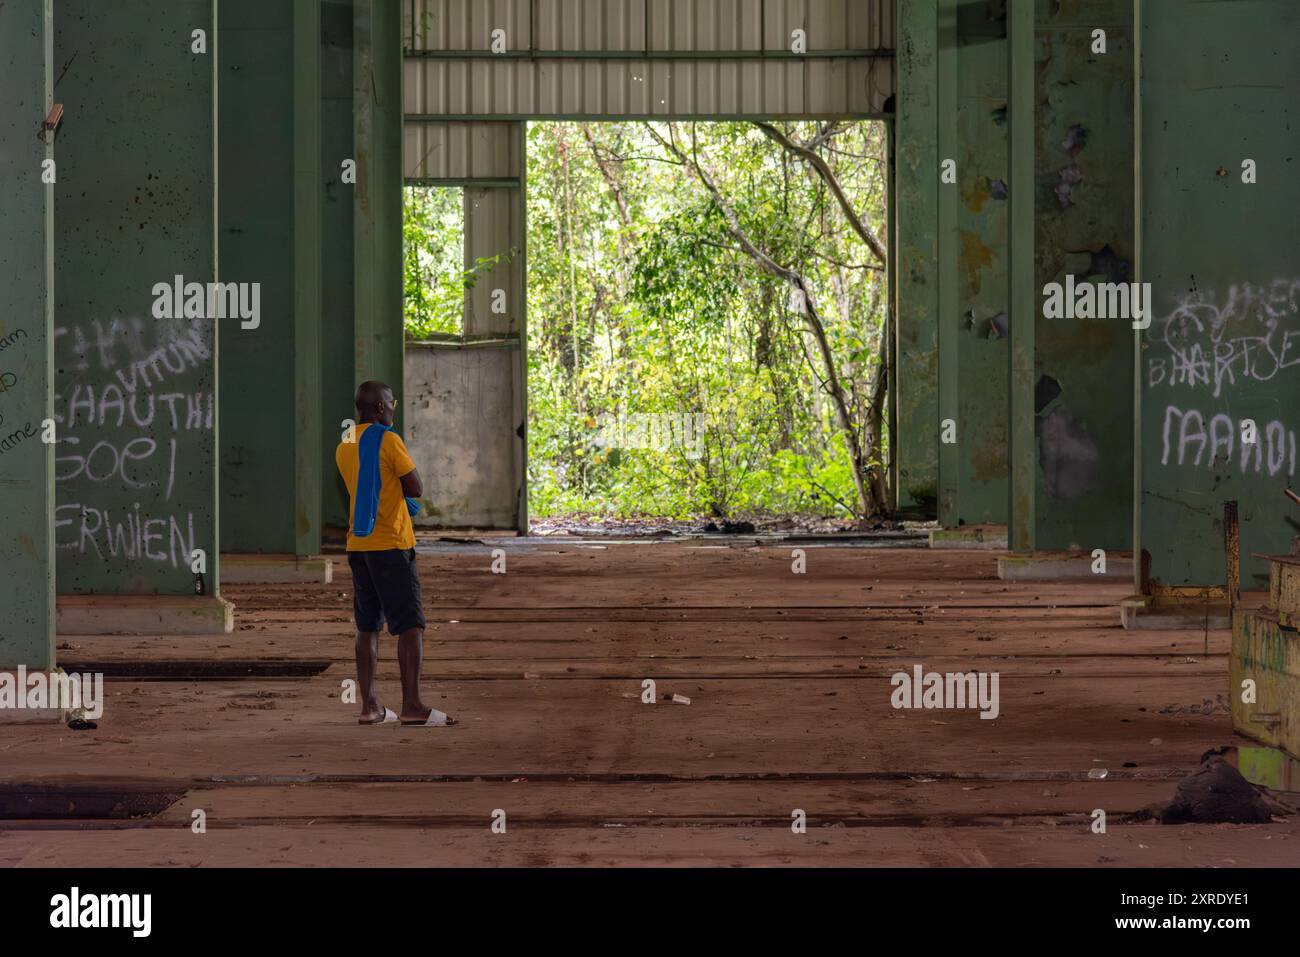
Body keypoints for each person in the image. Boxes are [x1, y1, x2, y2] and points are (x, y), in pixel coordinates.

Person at [335, 380, 455, 727]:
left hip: (359, 546)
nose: (393, 408)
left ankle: (370, 706)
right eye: (390, 403)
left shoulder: (344, 443)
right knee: (410, 625)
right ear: (379, 408)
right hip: (391, 543)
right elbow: (416, 486)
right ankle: (413, 705)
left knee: (367, 626)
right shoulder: (388, 440)